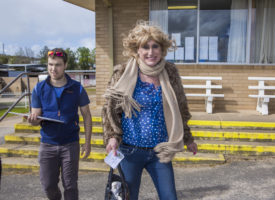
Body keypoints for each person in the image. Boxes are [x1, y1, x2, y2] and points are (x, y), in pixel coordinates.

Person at [102, 21, 198, 200]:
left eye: (155, 46)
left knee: (169, 197)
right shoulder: (122, 73)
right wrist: (112, 137)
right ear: (136, 49)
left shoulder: (170, 72)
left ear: (162, 49)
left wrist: (188, 138)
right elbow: (110, 110)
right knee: (128, 197)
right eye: (145, 47)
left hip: (159, 152)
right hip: (130, 151)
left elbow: (180, 108)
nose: (150, 52)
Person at [27, 48, 92, 200]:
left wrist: (87, 143)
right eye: (50, 64)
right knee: (48, 185)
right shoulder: (39, 88)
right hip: (47, 144)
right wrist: (33, 120)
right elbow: (36, 120)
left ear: (65, 65)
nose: (53, 69)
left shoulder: (77, 88)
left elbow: (87, 116)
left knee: (70, 186)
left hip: (70, 143)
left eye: (57, 65)